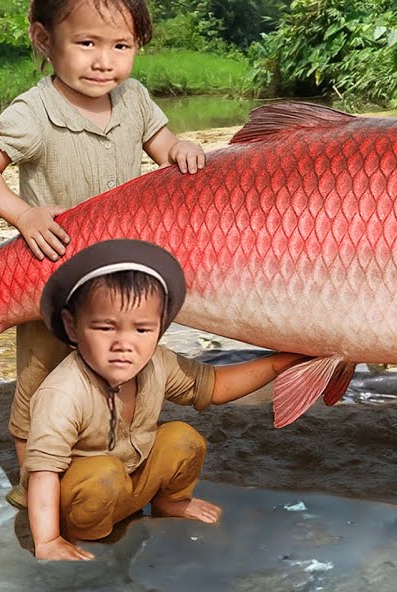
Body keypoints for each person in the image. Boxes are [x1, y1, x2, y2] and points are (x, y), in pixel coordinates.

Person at [0, 0, 206, 508]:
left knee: (122, 362)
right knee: (42, 375)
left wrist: (180, 150)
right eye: (87, 43)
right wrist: (24, 215)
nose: (104, 62)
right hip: (55, 271)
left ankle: (115, 459)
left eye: (121, 46)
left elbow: (163, 147)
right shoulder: (35, 111)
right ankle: (32, 483)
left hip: (119, 273)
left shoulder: (134, 99)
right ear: (44, 39)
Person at [25, 239, 304, 560]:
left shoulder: (157, 363)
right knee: (103, 475)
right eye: (105, 327)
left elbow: (212, 385)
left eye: (142, 330)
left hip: (132, 483)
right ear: (72, 327)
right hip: (80, 500)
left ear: (160, 329)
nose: (124, 344)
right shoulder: (63, 393)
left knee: (182, 438)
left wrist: (277, 363)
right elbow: (44, 472)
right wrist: (47, 541)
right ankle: (91, 536)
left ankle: (169, 502)